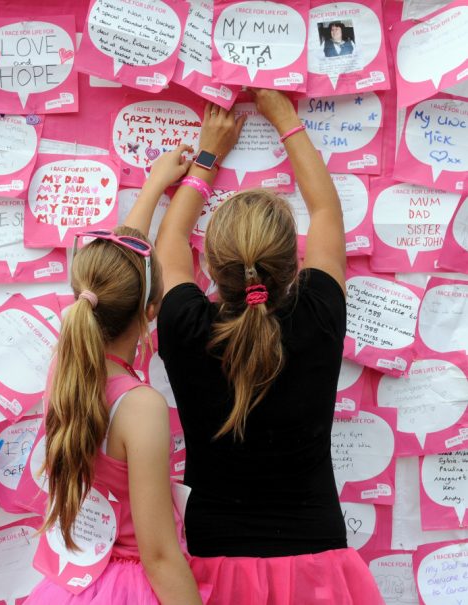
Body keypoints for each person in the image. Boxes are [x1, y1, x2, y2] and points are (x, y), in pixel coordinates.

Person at [151, 91, 383, 603]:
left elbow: (169, 242)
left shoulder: (188, 328)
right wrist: (284, 117)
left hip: (214, 567)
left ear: (210, 266)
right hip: (317, 565)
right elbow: (325, 209)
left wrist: (207, 156)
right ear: (291, 265)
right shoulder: (318, 317)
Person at [24, 147, 204, 605]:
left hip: (75, 588)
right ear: (152, 311)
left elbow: (117, 277)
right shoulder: (140, 406)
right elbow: (160, 554)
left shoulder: (65, 372)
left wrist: (152, 188)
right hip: (132, 587)